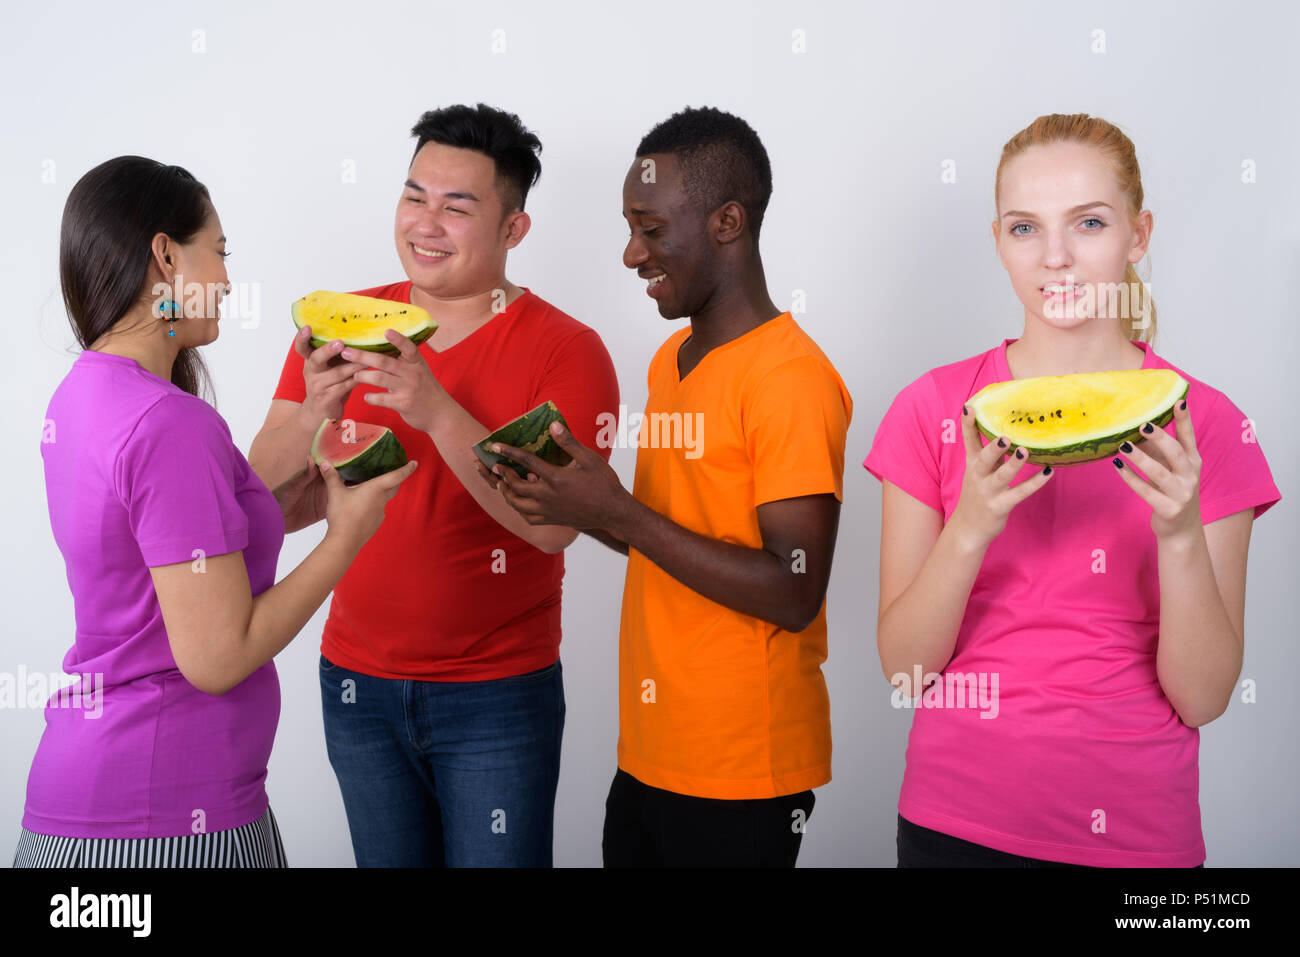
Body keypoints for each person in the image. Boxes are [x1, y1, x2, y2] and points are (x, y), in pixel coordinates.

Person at [864, 113, 1281, 867]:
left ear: (1138, 234)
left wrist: (1182, 536)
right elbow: (907, 672)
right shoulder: (930, 408)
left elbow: (1203, 698)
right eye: (1025, 229)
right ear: (998, 242)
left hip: (1138, 835)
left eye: (1088, 222)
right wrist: (969, 528)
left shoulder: (1210, 425)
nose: (1055, 257)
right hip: (955, 823)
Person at [12, 157, 414, 868]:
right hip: (168, 818)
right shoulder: (170, 422)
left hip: (86, 808)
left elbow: (179, 544)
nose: (228, 280)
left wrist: (309, 435)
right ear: (166, 255)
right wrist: (346, 536)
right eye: (219, 253)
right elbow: (219, 656)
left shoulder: (83, 396)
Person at [247, 103, 619, 867]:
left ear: (513, 229)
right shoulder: (346, 323)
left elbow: (552, 526)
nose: (427, 221)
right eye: (415, 195)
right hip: (356, 686)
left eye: (459, 205)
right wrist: (319, 407)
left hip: (498, 695)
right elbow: (264, 502)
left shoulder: (569, 350)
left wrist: (436, 408)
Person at [483, 106, 852, 867]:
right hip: (653, 752)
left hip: (742, 770)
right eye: (630, 227)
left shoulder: (791, 379)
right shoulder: (671, 360)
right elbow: (667, 530)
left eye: (650, 229)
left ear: (726, 222)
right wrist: (576, 501)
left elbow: (792, 589)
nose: (631, 253)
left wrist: (614, 509)